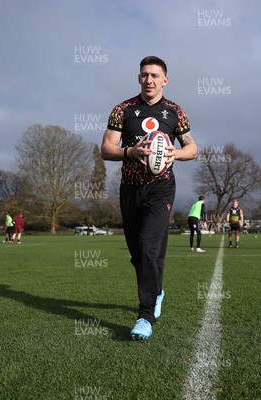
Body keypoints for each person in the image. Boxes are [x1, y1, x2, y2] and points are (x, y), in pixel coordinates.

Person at [101, 56, 198, 340]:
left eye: (155, 75)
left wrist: (174, 153)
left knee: (149, 246)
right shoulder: (123, 110)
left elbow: (192, 148)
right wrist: (131, 152)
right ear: (139, 78)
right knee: (138, 254)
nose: (149, 80)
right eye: (144, 75)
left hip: (161, 188)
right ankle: (156, 290)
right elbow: (107, 148)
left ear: (165, 80)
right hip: (130, 188)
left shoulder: (176, 112)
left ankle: (145, 316)